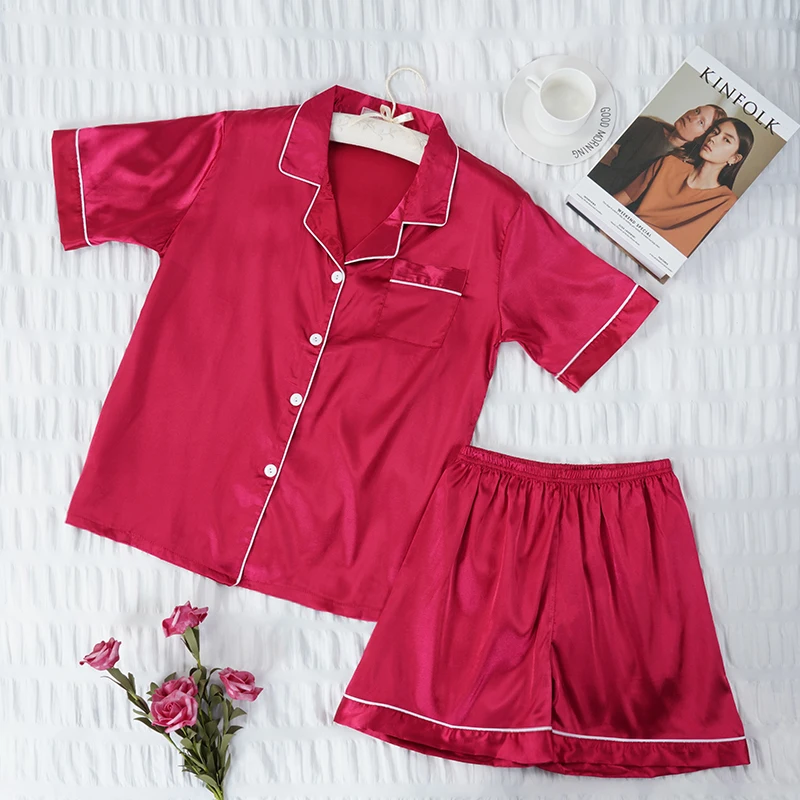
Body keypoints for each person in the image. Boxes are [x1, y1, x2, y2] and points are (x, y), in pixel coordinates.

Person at [613, 117, 754, 256]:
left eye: (726, 140)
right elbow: (623, 198)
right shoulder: (669, 164)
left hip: (659, 262)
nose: (713, 138)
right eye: (715, 132)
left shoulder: (727, 204)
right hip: (623, 240)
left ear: (734, 159)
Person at [589, 104, 726, 195]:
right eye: (697, 111)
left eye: (701, 122)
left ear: (702, 138)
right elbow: (598, 136)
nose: (691, 116)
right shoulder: (648, 126)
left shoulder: (682, 165)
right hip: (596, 181)